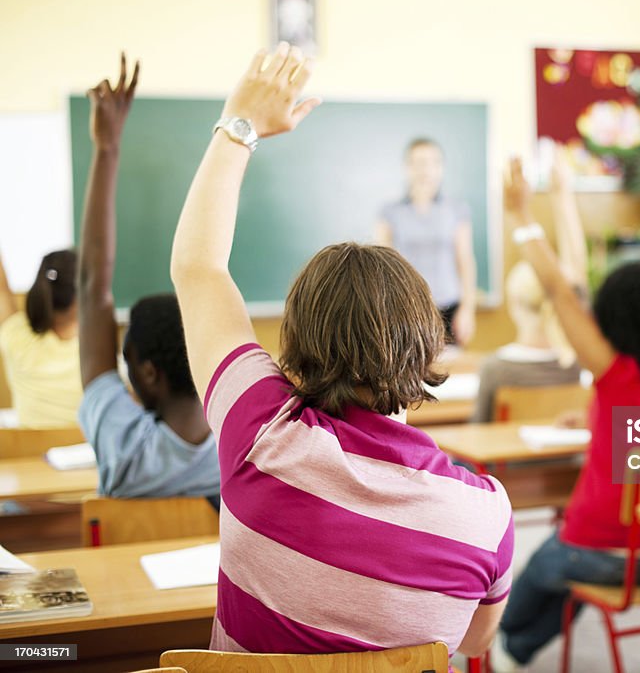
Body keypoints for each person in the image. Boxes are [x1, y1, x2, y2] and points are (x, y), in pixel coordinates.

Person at [169, 43, 512, 659]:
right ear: (427, 343)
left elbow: (198, 269)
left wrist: (239, 127)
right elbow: (474, 642)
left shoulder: (261, 431)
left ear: (292, 350)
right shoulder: (485, 515)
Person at [490, 158, 640, 671]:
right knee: (563, 586)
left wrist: (521, 215)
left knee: (530, 579)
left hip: (594, 547)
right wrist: (595, 422)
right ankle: (511, 652)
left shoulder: (615, 372)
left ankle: (498, 650)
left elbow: (560, 291)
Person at [77, 54, 219, 499]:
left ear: (150, 372)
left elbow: (92, 288)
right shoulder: (244, 447)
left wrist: (107, 149)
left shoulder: (123, 448)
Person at [471, 150, 585, 423]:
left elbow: (479, 432)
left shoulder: (496, 369)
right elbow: (573, 283)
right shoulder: (576, 362)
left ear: (515, 304)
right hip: (569, 466)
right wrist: (562, 198)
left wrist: (519, 213)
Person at [376, 137, 478, 345]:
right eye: (420, 163)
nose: (427, 170)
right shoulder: (390, 211)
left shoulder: (456, 209)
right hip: (405, 308)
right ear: (407, 167)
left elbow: (465, 261)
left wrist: (468, 309)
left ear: (441, 168)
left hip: (448, 307)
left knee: (448, 371)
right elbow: (381, 264)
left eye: (434, 162)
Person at [0, 247, 82, 427]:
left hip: (32, 453)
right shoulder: (97, 357)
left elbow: (1, 291)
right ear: (80, 298)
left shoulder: (17, 341)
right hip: (85, 453)